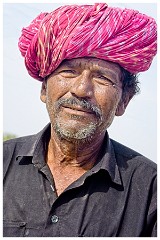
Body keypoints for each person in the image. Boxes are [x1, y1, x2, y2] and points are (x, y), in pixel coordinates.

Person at [3, 3, 157, 237]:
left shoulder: (150, 188)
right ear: (44, 89)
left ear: (124, 101)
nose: (81, 89)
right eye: (68, 72)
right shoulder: (3, 161)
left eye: (103, 78)